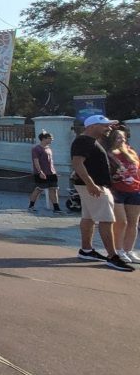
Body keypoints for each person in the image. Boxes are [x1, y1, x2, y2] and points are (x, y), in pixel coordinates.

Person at [71, 114, 133, 271]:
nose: (109, 128)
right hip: (94, 187)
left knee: (88, 217)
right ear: (92, 126)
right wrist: (91, 184)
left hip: (91, 186)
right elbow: (77, 163)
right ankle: (112, 257)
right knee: (107, 220)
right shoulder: (84, 141)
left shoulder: (89, 141)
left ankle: (86, 250)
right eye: (105, 125)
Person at [103, 127, 140, 263]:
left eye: (123, 137)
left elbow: (137, 171)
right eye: (119, 137)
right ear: (112, 139)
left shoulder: (131, 152)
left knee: (133, 223)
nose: (122, 140)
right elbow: (106, 173)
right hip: (117, 191)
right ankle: (118, 250)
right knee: (121, 222)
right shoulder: (109, 154)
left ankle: (128, 250)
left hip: (134, 190)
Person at [28, 131, 62, 213]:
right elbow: (36, 161)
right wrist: (40, 172)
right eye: (50, 138)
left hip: (51, 173)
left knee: (54, 189)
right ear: (43, 139)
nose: (52, 140)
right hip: (42, 173)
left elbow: (51, 162)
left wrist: (55, 172)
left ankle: (56, 208)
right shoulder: (36, 149)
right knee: (39, 189)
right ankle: (31, 206)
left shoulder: (49, 149)